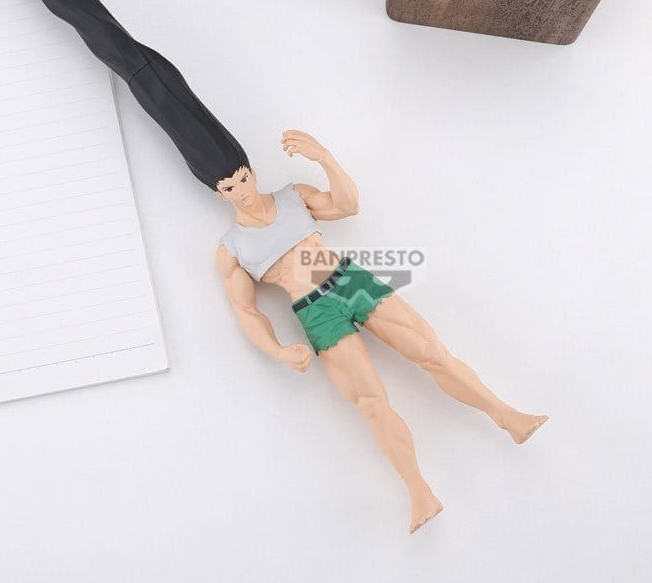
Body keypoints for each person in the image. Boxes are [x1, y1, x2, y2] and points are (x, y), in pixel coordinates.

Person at [216, 131, 546, 533]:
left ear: (252, 173)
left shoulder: (293, 196)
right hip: (314, 311)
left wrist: (324, 157)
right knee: (371, 403)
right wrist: (278, 350)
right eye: (229, 187)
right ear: (221, 195)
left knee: (431, 352)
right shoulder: (232, 248)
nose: (242, 190)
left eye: (243, 178)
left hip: (346, 279)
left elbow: (347, 206)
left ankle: (508, 416)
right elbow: (245, 310)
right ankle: (420, 493)